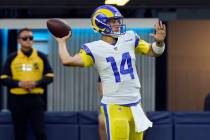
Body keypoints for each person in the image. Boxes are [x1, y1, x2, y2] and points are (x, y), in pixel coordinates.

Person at [53, 5, 166, 140]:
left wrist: (159, 42)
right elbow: (67, 60)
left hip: (136, 104)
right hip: (115, 105)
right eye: (113, 21)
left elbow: (154, 52)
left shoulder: (130, 37)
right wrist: (61, 42)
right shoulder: (93, 48)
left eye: (118, 21)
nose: (118, 24)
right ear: (101, 23)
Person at [0, 28, 54, 140]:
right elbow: (3, 78)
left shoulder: (41, 56)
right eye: (25, 38)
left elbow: (50, 76)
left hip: (36, 99)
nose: (28, 40)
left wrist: (36, 83)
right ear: (19, 40)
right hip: (17, 100)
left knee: (40, 132)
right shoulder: (12, 57)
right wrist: (19, 84)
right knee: (19, 133)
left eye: (31, 38)